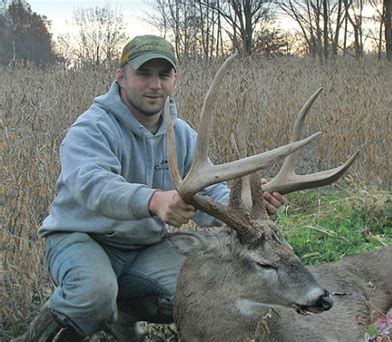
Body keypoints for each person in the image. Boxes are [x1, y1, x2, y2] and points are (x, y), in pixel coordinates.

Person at [22, 35, 285, 341]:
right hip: (81, 239)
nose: (155, 85)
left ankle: (120, 317)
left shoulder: (182, 135)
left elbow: (207, 192)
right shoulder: (93, 127)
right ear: (121, 77)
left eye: (163, 75)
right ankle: (39, 333)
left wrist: (245, 203)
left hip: (143, 249)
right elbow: (92, 184)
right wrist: (153, 200)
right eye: (144, 74)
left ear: (176, 79)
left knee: (205, 292)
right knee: (92, 294)